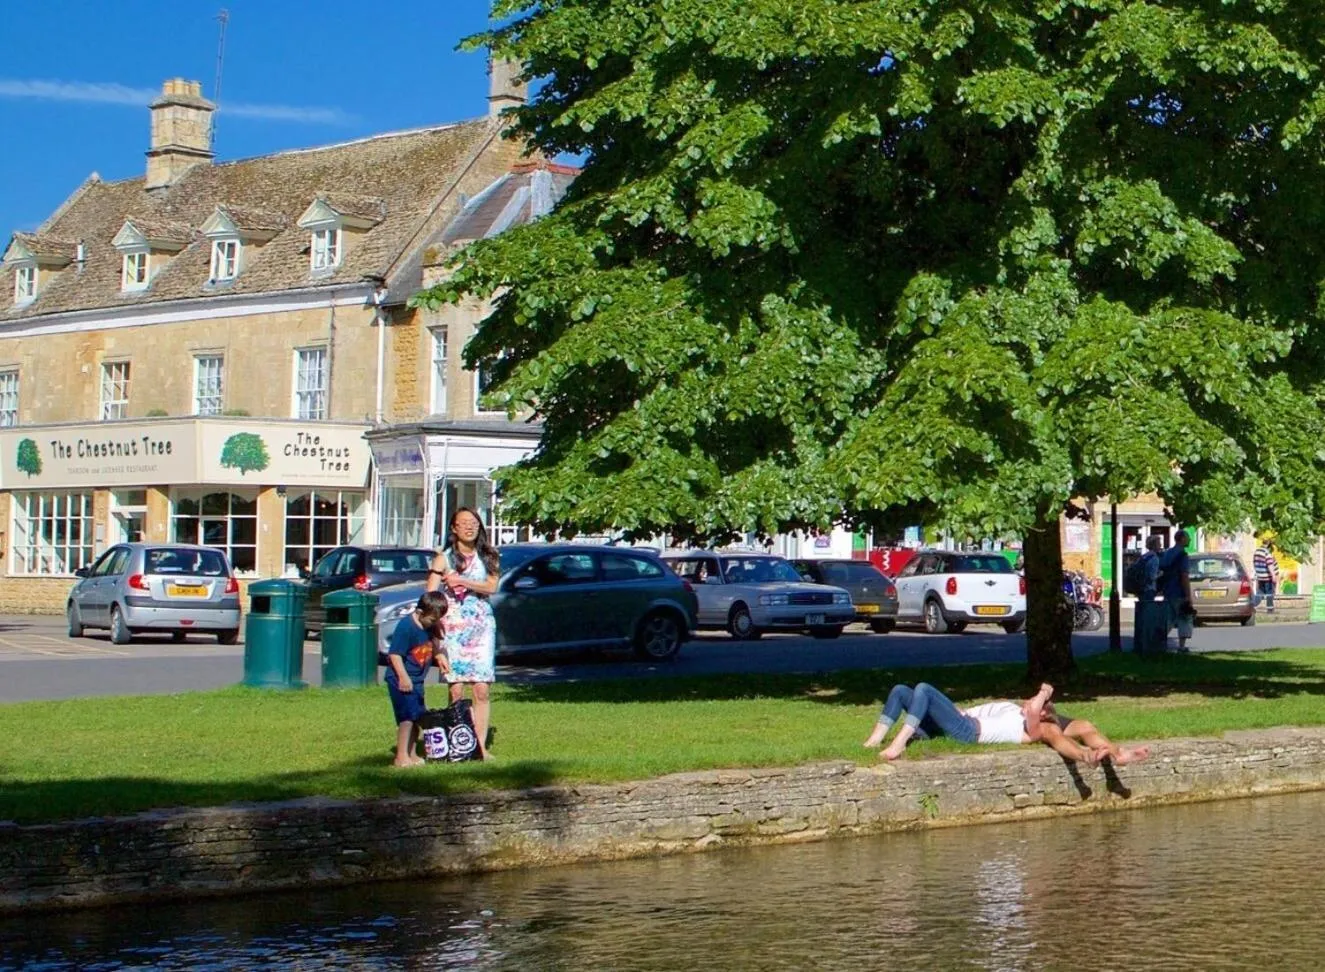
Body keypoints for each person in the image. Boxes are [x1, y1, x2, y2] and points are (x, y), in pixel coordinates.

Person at [863, 681, 1149, 766]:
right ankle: (875, 740)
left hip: (966, 732)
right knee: (902, 690)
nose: (1029, 706)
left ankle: (898, 744)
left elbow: (1051, 728)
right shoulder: (1011, 708)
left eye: (1035, 708)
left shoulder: (1033, 729)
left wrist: (1044, 694)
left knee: (924, 688)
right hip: (956, 721)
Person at [427, 507, 500, 760]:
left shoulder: (489, 555)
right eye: (464, 523)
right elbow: (430, 599)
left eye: (474, 522)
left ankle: (480, 746)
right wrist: (436, 645)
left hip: (481, 627)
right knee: (456, 688)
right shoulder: (443, 558)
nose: (470, 527)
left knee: (481, 688)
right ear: (453, 528)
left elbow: (492, 586)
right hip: (453, 627)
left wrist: (463, 581)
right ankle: (460, 743)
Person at [384, 591, 450, 768]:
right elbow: (395, 655)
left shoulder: (428, 626)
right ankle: (401, 756)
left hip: (417, 680)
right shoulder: (406, 627)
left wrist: (440, 657)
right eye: (432, 620)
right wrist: (404, 678)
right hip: (401, 680)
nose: (434, 624)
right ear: (420, 612)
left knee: (417, 716)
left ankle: (411, 753)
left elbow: (433, 644)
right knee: (406, 718)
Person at [1159, 530, 1195, 652]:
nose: (1190, 540)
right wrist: (1188, 595)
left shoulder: (1167, 553)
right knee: (1184, 617)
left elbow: (1162, 570)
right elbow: (1184, 576)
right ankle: (1182, 646)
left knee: (1168, 618)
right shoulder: (1183, 555)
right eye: (1188, 537)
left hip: (1168, 590)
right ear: (1182, 539)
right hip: (1179, 591)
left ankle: (1159, 643)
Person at [1253, 540, 1279, 614]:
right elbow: (1270, 564)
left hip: (1260, 576)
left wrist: (1257, 574)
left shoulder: (1257, 551)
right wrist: (1273, 575)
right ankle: (1270, 609)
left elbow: (1255, 563)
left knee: (1259, 593)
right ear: (1269, 545)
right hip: (1268, 577)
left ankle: (1252, 606)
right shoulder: (1266, 552)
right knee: (1270, 594)